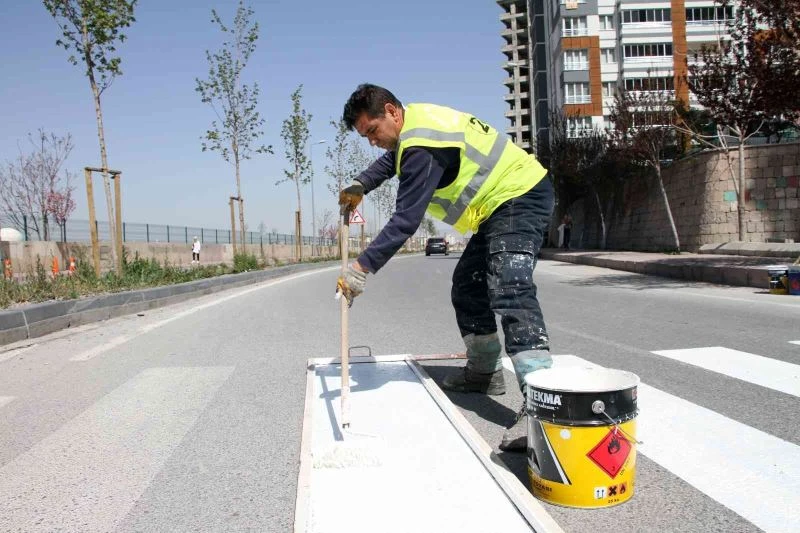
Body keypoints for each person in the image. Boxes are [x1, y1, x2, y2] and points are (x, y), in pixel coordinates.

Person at [335, 84, 555, 451]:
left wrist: (361, 268)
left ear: (391, 111)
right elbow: (392, 160)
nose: (372, 142)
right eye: (365, 137)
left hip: (520, 194)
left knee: (509, 285)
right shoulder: (414, 126)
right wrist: (362, 183)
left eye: (372, 132)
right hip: (498, 205)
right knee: (468, 286)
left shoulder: (422, 146)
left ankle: (542, 405)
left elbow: (406, 220)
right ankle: (485, 374)